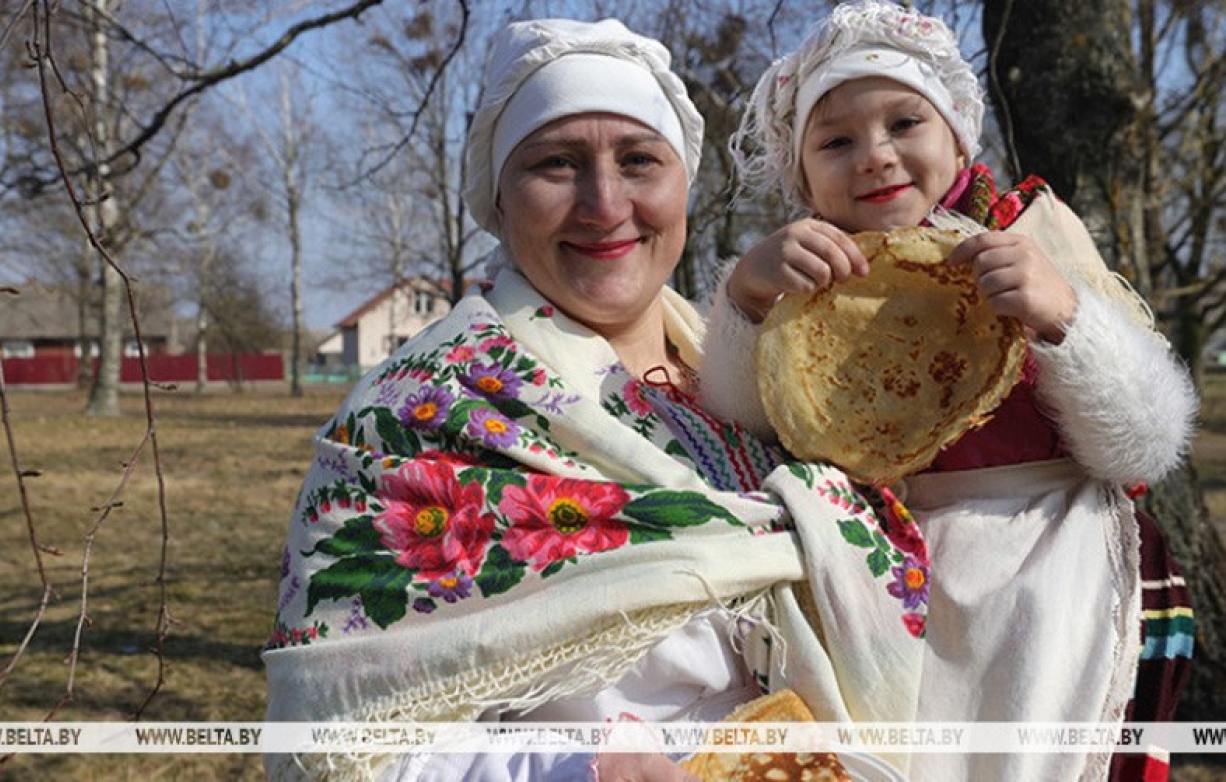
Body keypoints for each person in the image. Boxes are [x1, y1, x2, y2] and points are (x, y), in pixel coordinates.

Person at [264, 16, 931, 782]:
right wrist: (572, 772)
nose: (605, 203)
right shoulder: (414, 417)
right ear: (499, 198)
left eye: (640, 161)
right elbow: (335, 745)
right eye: (557, 164)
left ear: (684, 181)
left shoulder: (773, 371)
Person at [701, 2, 1198, 780]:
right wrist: (743, 304)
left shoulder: (1032, 239)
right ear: (801, 174)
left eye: (904, 123)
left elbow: (1150, 441)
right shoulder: (801, 276)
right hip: (887, 581)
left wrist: (1068, 319)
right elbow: (745, 426)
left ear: (958, 135)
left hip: (1048, 564)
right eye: (836, 141)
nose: (874, 157)